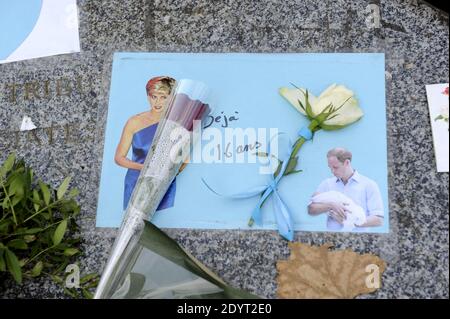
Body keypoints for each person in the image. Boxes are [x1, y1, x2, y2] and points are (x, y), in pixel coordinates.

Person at [115, 76, 186, 210]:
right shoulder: (134, 122)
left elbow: (185, 156)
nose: (158, 102)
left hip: (164, 183)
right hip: (136, 181)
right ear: (148, 96)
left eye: (163, 97)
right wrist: (144, 168)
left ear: (172, 98)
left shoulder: (178, 123)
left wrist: (171, 172)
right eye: (154, 96)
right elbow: (119, 158)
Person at [307, 147, 384, 231]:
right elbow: (311, 209)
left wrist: (351, 222)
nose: (332, 171)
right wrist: (331, 205)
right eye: (330, 167)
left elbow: (378, 220)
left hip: (359, 240)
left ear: (347, 162)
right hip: (331, 239)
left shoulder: (369, 184)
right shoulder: (327, 184)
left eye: (335, 167)